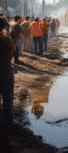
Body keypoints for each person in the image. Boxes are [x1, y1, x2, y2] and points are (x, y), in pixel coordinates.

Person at [0, 16, 16, 152]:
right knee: (8, 98)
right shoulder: (6, 39)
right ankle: (9, 124)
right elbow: (13, 50)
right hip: (5, 71)